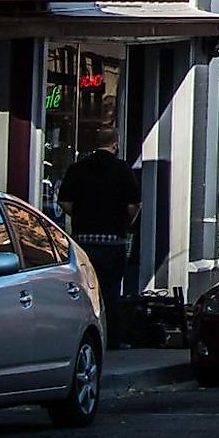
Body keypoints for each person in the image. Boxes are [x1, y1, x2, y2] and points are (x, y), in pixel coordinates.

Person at [58, 141, 142, 334]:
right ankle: (111, 336)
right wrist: (124, 222)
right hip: (113, 241)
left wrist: (80, 216)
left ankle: (83, 334)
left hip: (84, 241)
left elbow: (63, 201)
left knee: (85, 291)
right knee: (110, 291)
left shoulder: (78, 168)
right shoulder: (122, 169)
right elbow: (134, 204)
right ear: (115, 144)